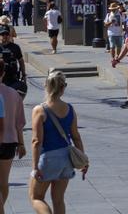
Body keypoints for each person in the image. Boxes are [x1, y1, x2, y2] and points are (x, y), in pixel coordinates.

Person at [29, 70, 86, 214]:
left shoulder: (40, 110)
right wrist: (84, 161)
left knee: (36, 197)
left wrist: (35, 167)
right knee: (58, 199)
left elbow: (36, 141)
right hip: (66, 159)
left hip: (48, 159)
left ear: (46, 86)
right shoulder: (70, 109)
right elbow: (76, 137)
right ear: (63, 88)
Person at [0, 73, 26, 209]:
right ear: (3, 73)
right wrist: (21, 144)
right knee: (4, 181)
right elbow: (19, 123)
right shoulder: (14, 94)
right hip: (10, 141)